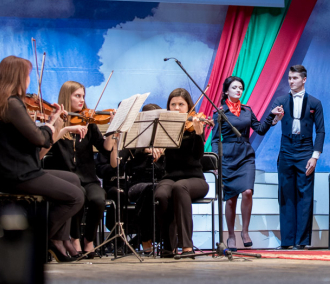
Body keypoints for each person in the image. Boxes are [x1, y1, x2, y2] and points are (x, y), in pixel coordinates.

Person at [0, 56, 85, 262]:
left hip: (15, 169)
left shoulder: (0, 100)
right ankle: (37, 241)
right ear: (18, 77)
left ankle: (57, 240)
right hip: (17, 174)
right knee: (76, 196)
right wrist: (49, 125)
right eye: (28, 75)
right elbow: (39, 139)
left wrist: (51, 121)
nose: (29, 80)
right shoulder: (12, 104)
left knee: (73, 180)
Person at [210, 76, 283, 250]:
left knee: (248, 192)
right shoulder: (220, 112)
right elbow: (215, 140)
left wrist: (272, 116)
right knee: (230, 200)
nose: (238, 90)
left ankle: (245, 231)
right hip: (228, 157)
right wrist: (215, 162)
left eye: (240, 88)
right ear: (226, 91)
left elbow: (260, 129)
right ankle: (231, 235)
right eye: (234, 87)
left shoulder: (247, 110)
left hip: (245, 155)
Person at [47, 80, 116, 257]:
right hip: (66, 178)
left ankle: (89, 240)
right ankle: (74, 239)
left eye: (83, 96)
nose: (81, 100)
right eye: (77, 96)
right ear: (66, 97)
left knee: (98, 199)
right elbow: (48, 143)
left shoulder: (88, 122)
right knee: (79, 195)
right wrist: (63, 128)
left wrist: (113, 129)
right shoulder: (57, 123)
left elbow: (105, 148)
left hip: (88, 177)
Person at [96, 103, 166, 255]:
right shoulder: (116, 140)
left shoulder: (156, 140)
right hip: (119, 184)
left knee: (159, 192)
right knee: (125, 194)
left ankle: (149, 238)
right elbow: (107, 168)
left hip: (140, 183)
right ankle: (131, 239)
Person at [269, 65, 325, 249]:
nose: (291, 81)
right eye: (289, 78)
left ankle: (301, 242)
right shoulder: (281, 101)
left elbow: (321, 131)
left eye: (295, 78)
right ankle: (286, 241)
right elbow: (270, 122)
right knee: (285, 195)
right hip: (286, 148)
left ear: (304, 79)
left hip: (305, 149)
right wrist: (275, 118)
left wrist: (315, 156)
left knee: (304, 195)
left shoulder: (315, 102)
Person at [154, 88, 209, 256]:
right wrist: (155, 150)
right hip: (170, 177)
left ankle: (186, 246)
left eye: (181, 104)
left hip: (195, 179)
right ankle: (168, 245)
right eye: (173, 104)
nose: (176, 108)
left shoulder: (194, 126)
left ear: (189, 107)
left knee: (180, 187)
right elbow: (160, 161)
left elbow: (198, 156)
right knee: (161, 194)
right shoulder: (163, 128)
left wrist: (198, 134)